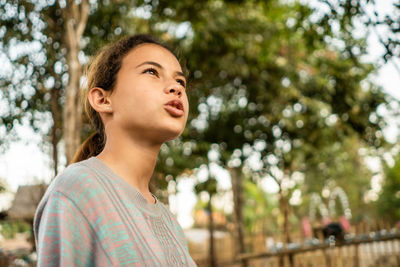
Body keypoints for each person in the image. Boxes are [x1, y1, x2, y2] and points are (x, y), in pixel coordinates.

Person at [34, 34, 197, 266]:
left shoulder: (171, 224)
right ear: (102, 99)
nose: (176, 88)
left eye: (180, 81)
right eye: (151, 71)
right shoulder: (76, 190)